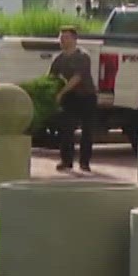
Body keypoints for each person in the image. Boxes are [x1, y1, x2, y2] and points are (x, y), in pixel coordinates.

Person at [48, 27, 97, 173]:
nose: (63, 41)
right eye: (61, 38)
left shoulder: (83, 56)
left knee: (87, 131)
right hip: (70, 97)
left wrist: (61, 93)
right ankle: (66, 161)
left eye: (67, 37)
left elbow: (77, 78)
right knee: (66, 129)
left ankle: (84, 162)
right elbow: (51, 78)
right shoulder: (58, 59)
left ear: (75, 39)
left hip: (86, 96)